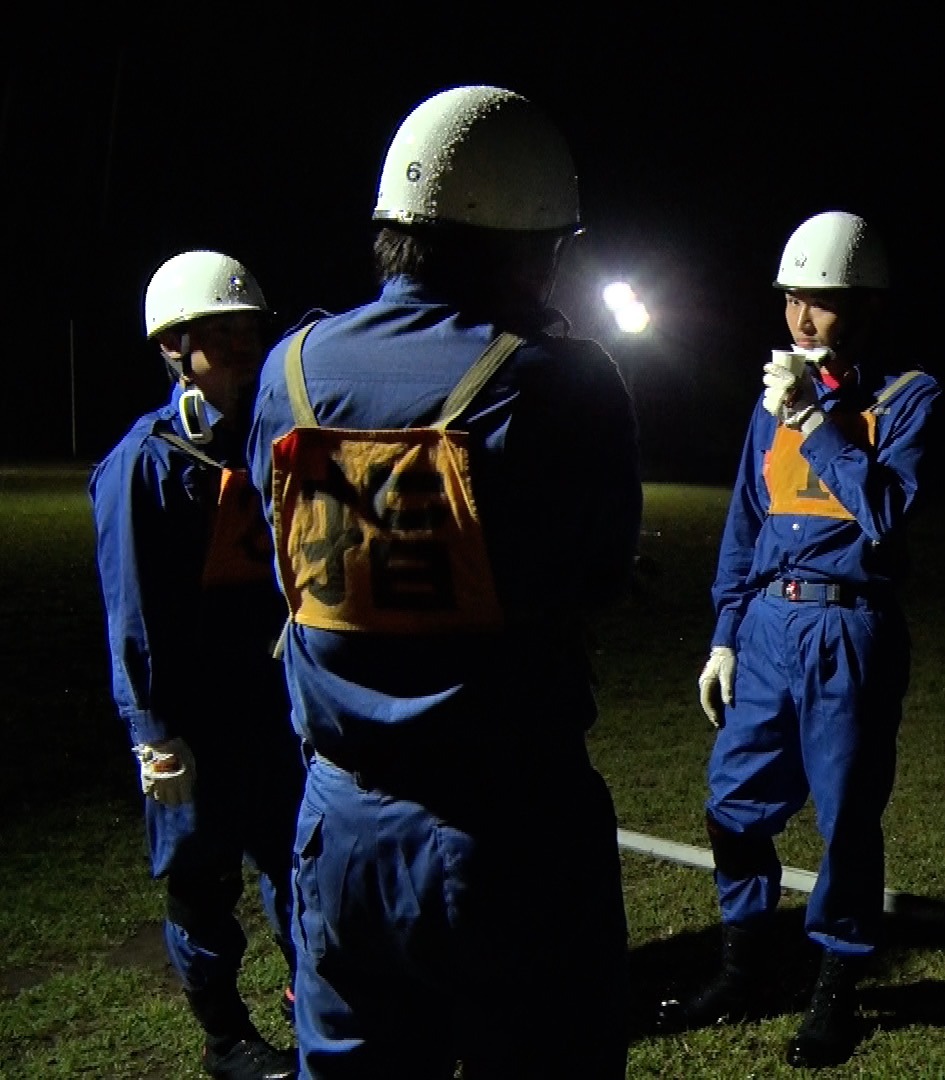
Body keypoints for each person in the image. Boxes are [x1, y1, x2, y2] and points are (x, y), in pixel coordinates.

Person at [246, 85, 641, 1078]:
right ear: (536, 241)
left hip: (338, 822)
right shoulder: (562, 380)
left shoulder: (289, 367)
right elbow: (597, 572)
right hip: (507, 830)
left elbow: (281, 554)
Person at [660, 210, 938, 1069]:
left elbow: (887, 513)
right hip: (773, 624)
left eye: (820, 302)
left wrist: (818, 421)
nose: (801, 320)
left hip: (849, 626)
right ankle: (746, 964)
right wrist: (725, 636)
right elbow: (747, 523)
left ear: (864, 304)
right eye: (792, 301)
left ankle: (837, 984)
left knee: (848, 819)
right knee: (732, 805)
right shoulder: (773, 397)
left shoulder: (906, 396)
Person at [90, 250, 302, 1080]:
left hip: (276, 703)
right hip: (197, 716)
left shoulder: (277, 439)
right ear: (176, 344)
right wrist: (153, 731)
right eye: (226, 333)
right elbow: (133, 612)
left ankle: (310, 998)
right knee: (203, 883)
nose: (248, 346)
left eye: (254, 331)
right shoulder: (143, 465)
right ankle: (225, 1037)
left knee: (298, 866)